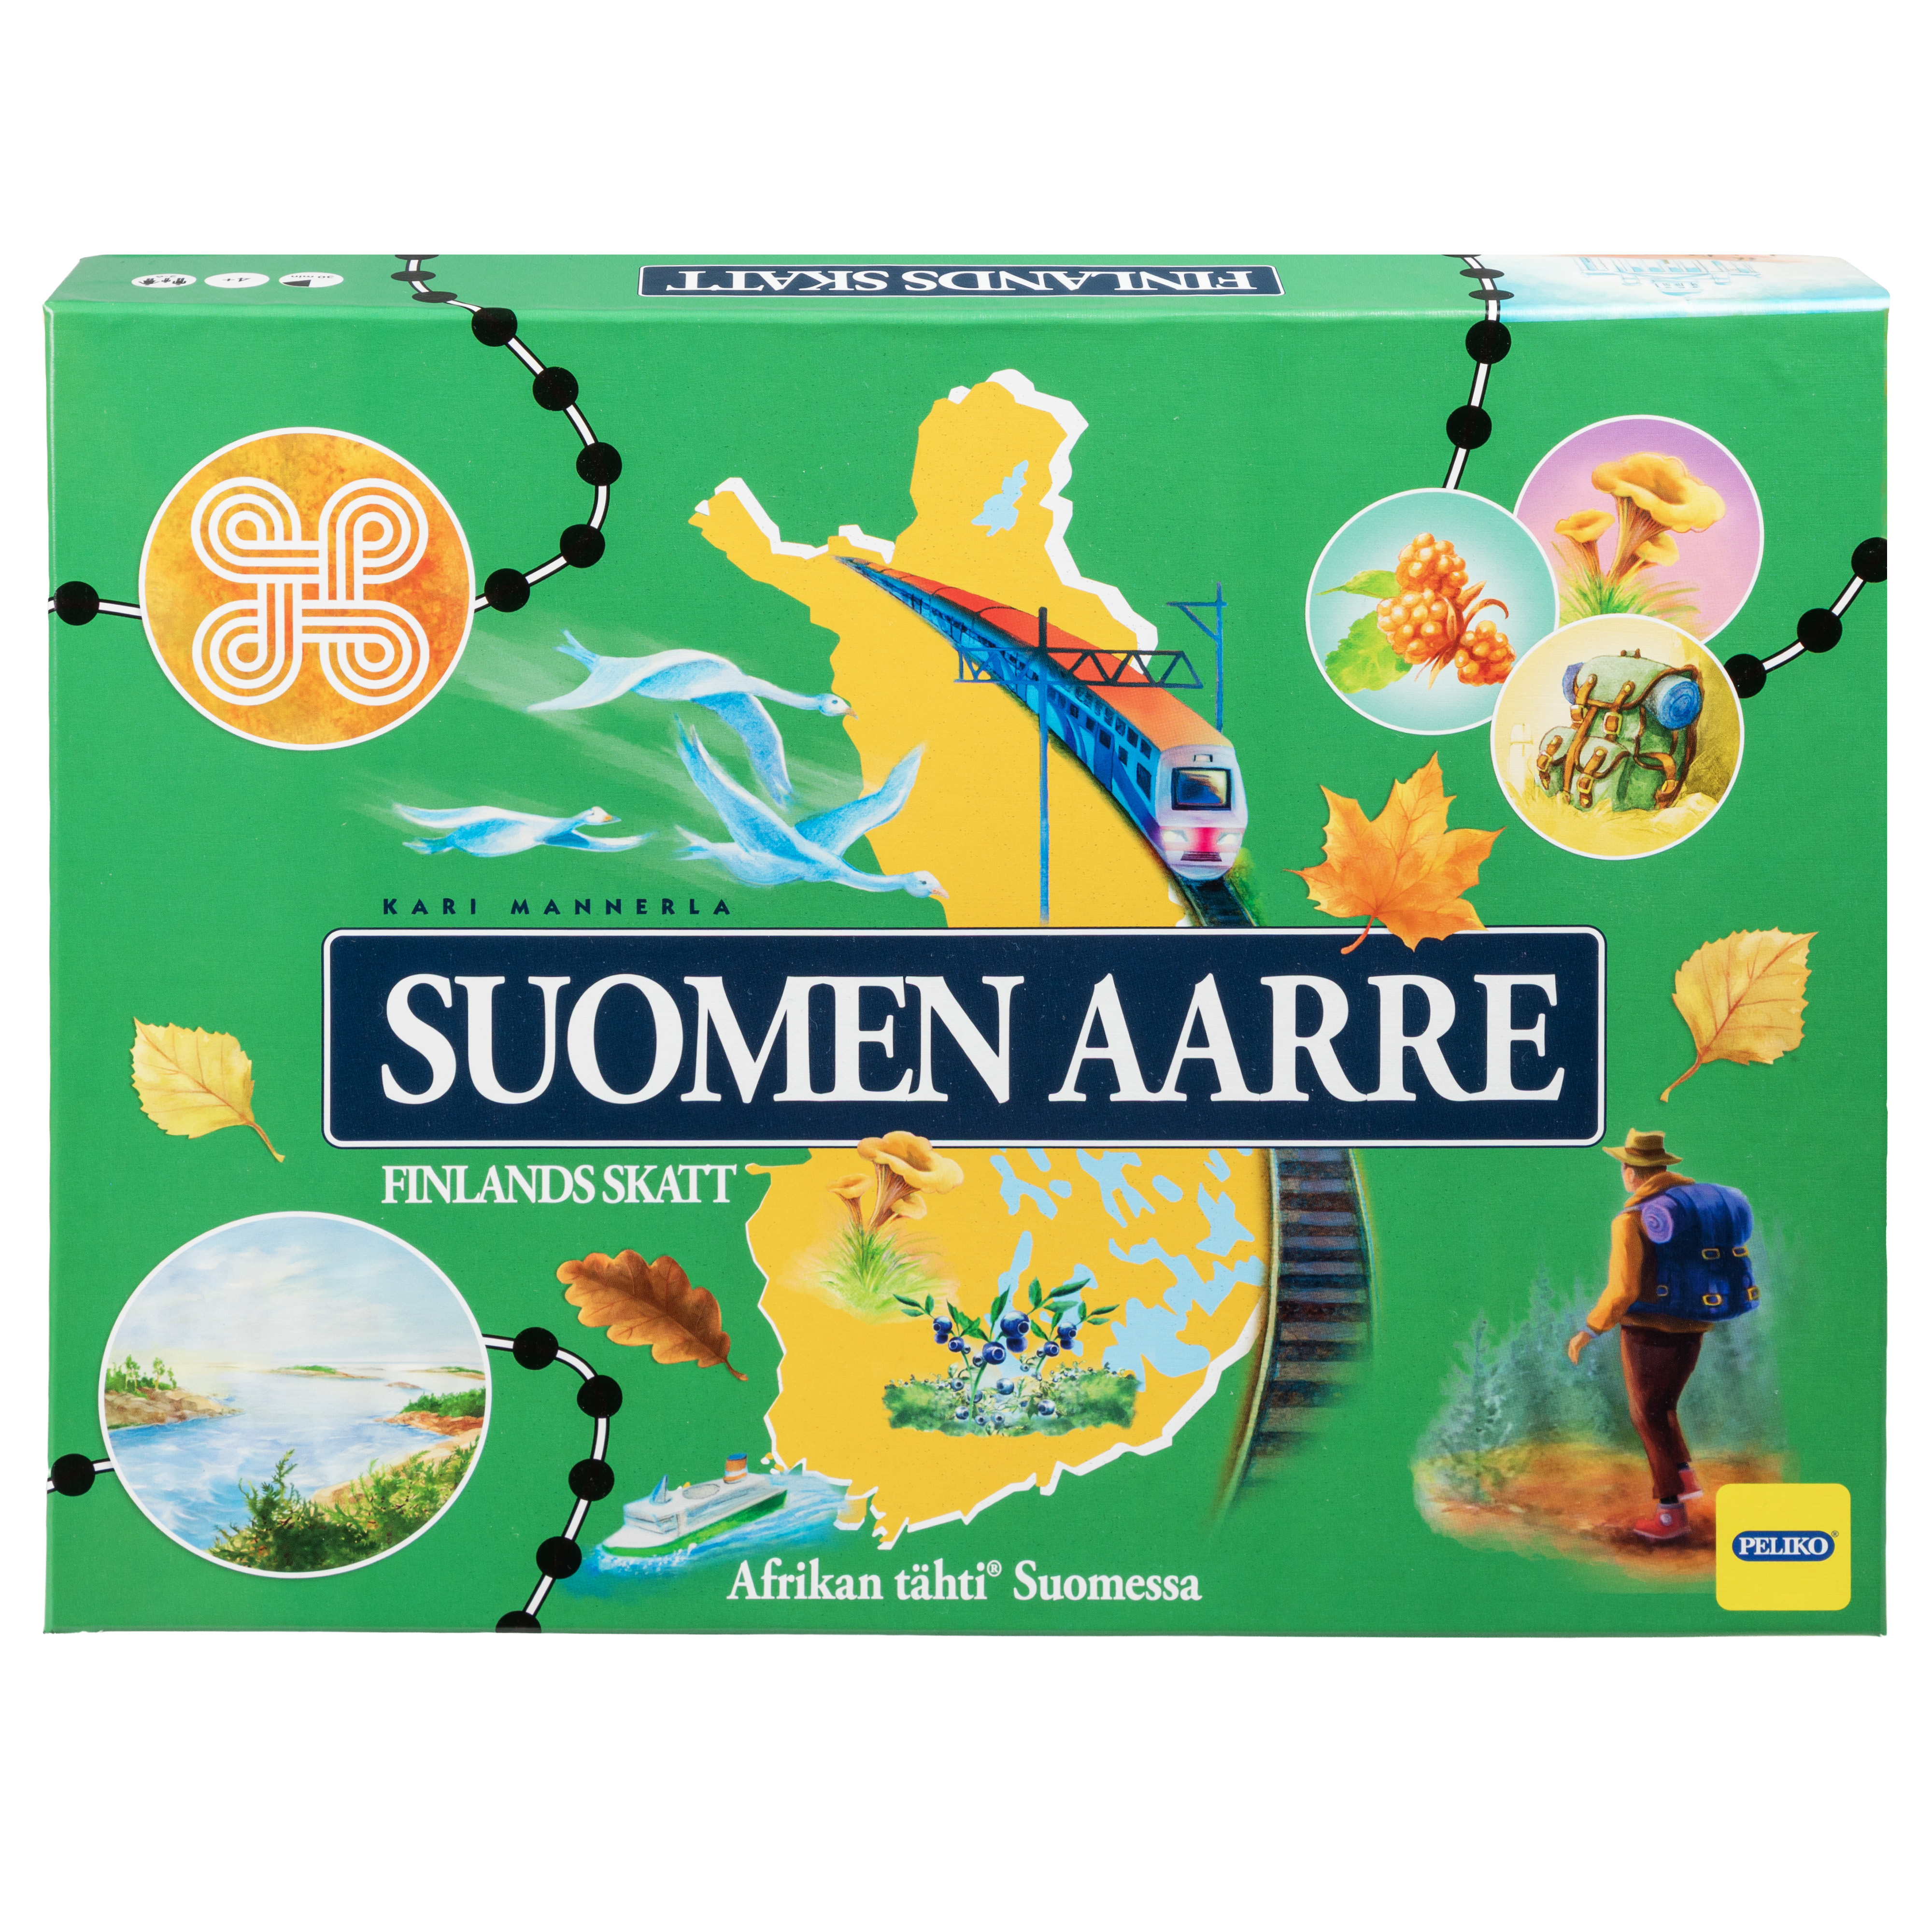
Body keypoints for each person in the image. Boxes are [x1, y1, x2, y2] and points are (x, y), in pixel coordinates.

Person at [1565, 1129, 1712, 1542]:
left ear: (1632, 1172)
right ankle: (1684, 1478)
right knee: (1664, 1408)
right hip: (1693, 1326)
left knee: (1646, 1415)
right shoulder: (1694, 1210)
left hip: (1648, 1333)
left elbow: (1623, 1290)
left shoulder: (1631, 1221)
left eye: (1624, 1168)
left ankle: (1670, 1515)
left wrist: (1589, 1330)